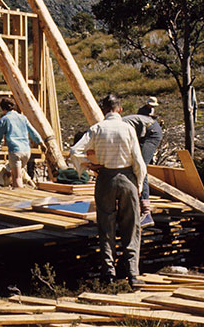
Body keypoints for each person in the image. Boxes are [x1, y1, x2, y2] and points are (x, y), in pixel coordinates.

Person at [70, 94, 146, 288]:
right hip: (127, 177)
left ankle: (109, 272)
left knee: (106, 226)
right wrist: (138, 185)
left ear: (104, 109)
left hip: (105, 177)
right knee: (131, 226)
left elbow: (74, 151)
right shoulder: (128, 128)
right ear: (119, 109)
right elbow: (138, 160)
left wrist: (89, 165)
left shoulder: (97, 129)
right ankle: (132, 273)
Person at [120, 96, 163, 226]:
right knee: (135, 167)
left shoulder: (118, 126)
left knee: (141, 169)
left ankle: (146, 213)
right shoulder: (117, 125)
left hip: (151, 133)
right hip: (145, 133)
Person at [0, 97, 42, 189]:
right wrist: (40, 142)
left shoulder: (5, 119)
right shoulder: (23, 117)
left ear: (3, 108)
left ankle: (21, 198)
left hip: (15, 151)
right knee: (15, 176)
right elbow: (32, 131)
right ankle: (16, 193)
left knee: (18, 178)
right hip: (26, 151)